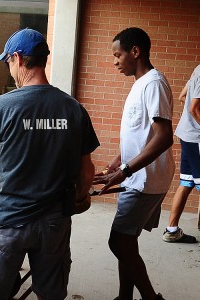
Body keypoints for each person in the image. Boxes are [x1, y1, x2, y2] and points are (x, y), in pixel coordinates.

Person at [0, 28, 100, 300]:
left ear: (17, 58)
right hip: (54, 220)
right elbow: (86, 171)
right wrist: (79, 196)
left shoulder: (1, 107)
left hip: (9, 220)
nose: (10, 69)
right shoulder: (73, 108)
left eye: (8, 62)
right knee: (51, 294)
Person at [93, 27, 175, 300]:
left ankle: (151, 298)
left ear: (135, 51)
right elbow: (140, 133)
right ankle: (124, 296)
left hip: (144, 180)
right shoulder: (140, 84)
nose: (114, 61)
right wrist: (118, 162)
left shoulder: (153, 83)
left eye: (118, 55)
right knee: (127, 240)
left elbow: (163, 138)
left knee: (118, 241)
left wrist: (126, 170)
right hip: (135, 176)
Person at [162, 64, 200, 243]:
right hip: (196, 138)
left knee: (186, 182)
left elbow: (183, 95)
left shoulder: (197, 70)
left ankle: (171, 230)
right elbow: (194, 108)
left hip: (187, 135)